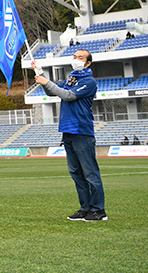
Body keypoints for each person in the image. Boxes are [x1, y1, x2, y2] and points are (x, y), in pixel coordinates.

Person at [33, 50, 107, 222]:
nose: (76, 60)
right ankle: (85, 208)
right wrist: (40, 73)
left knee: (90, 172)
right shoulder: (72, 78)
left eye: (80, 58)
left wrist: (46, 81)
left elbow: (68, 96)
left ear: (88, 63)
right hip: (68, 131)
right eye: (75, 57)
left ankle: (98, 210)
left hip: (81, 131)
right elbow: (52, 92)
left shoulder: (89, 81)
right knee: (76, 172)